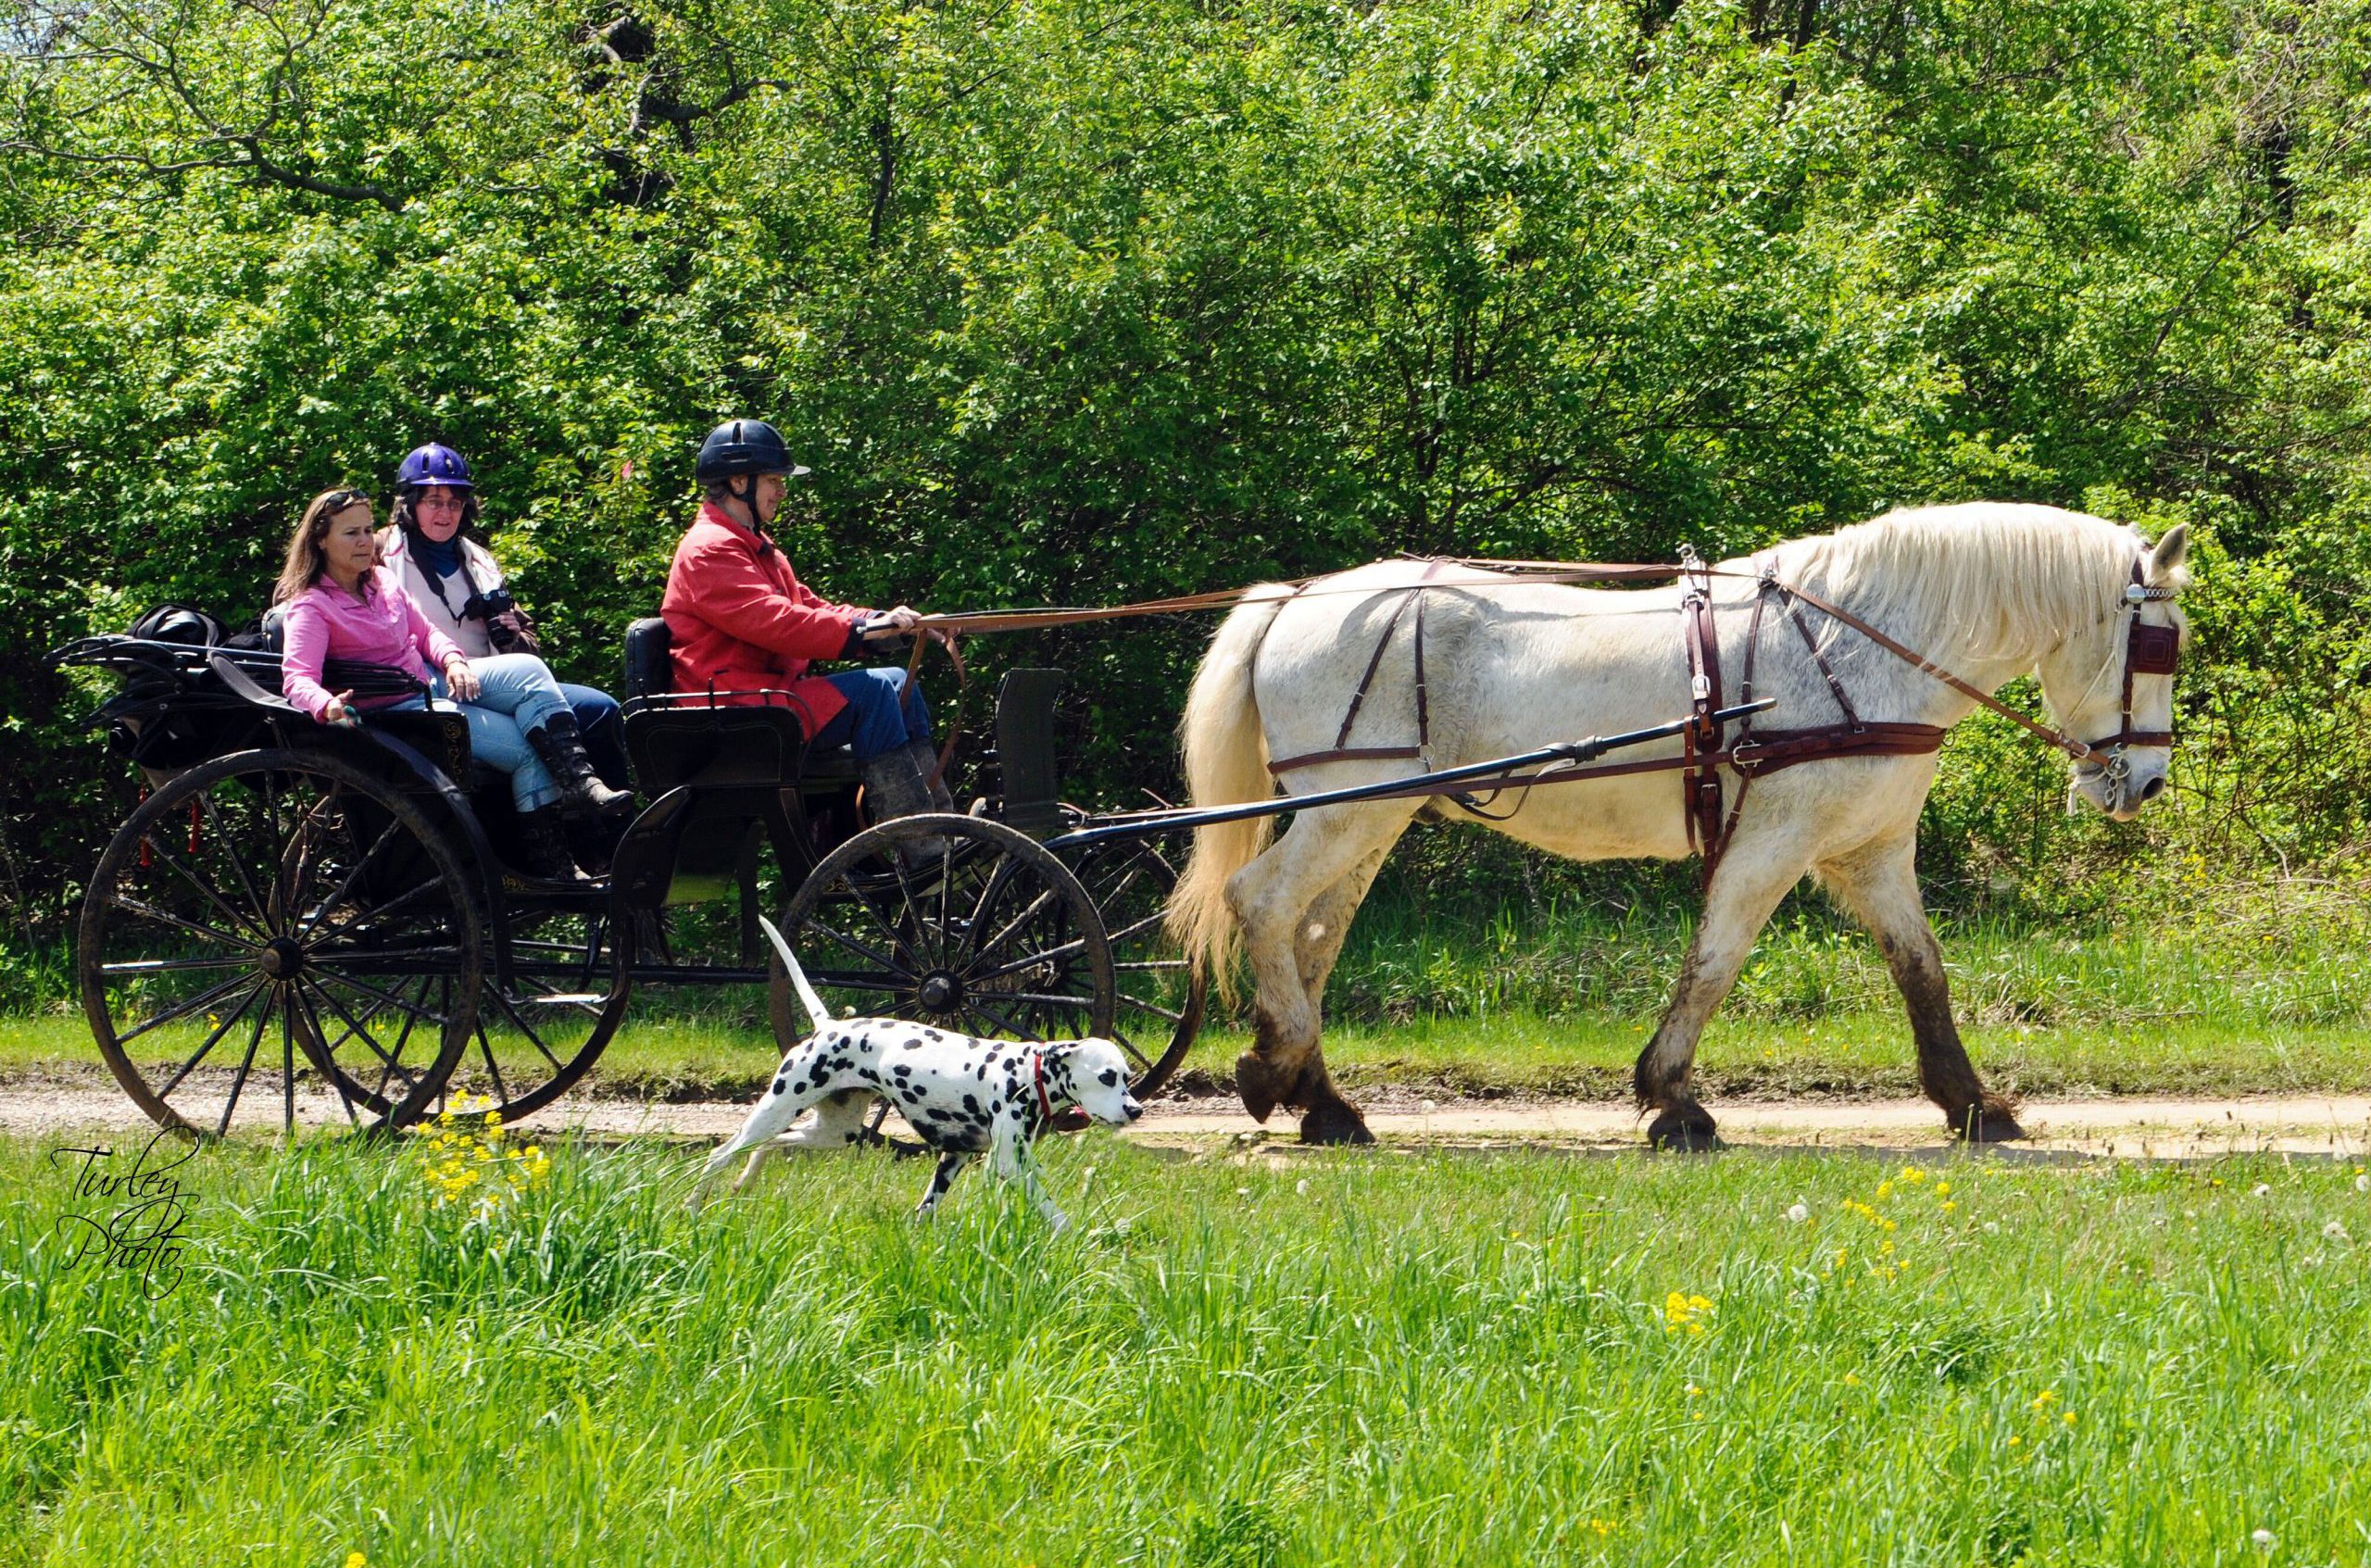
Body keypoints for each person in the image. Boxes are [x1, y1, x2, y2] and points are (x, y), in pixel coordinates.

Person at [275, 487, 633, 882]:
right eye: (350, 533)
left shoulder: (381, 581)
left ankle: (580, 782)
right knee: (525, 750)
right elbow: (297, 678)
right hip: (399, 712)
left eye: (367, 530)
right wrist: (327, 705)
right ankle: (553, 867)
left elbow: (426, 632)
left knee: (529, 669)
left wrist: (453, 660)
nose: (364, 541)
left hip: (432, 681)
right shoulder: (311, 606)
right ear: (321, 540)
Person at [659, 418, 953, 834]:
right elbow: (779, 622)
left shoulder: (754, 548)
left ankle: (938, 819)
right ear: (740, 481)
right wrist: (866, 633)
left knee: (896, 682)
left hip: (771, 702)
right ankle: (918, 841)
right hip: (734, 715)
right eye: (775, 480)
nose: (782, 491)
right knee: (872, 693)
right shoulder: (709, 550)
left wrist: (890, 624)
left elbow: (812, 606)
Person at [375, 442, 629, 788]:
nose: (445, 514)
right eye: (434, 502)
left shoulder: (478, 560)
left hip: (493, 681)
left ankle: (604, 824)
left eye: (455, 503)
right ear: (410, 504)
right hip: (428, 684)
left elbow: (528, 643)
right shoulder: (379, 552)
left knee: (601, 710)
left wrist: (513, 635)